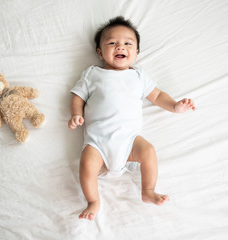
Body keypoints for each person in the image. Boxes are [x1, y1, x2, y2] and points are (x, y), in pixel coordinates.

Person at [68, 16, 196, 221]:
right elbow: (78, 95)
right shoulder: (92, 74)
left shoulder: (138, 76)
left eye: (128, 43)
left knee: (149, 151)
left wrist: (175, 106)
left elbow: (157, 96)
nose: (120, 46)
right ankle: (93, 200)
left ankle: (148, 190)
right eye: (112, 43)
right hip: (97, 142)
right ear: (100, 52)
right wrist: (76, 114)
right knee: (86, 166)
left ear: (136, 53)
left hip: (129, 140)